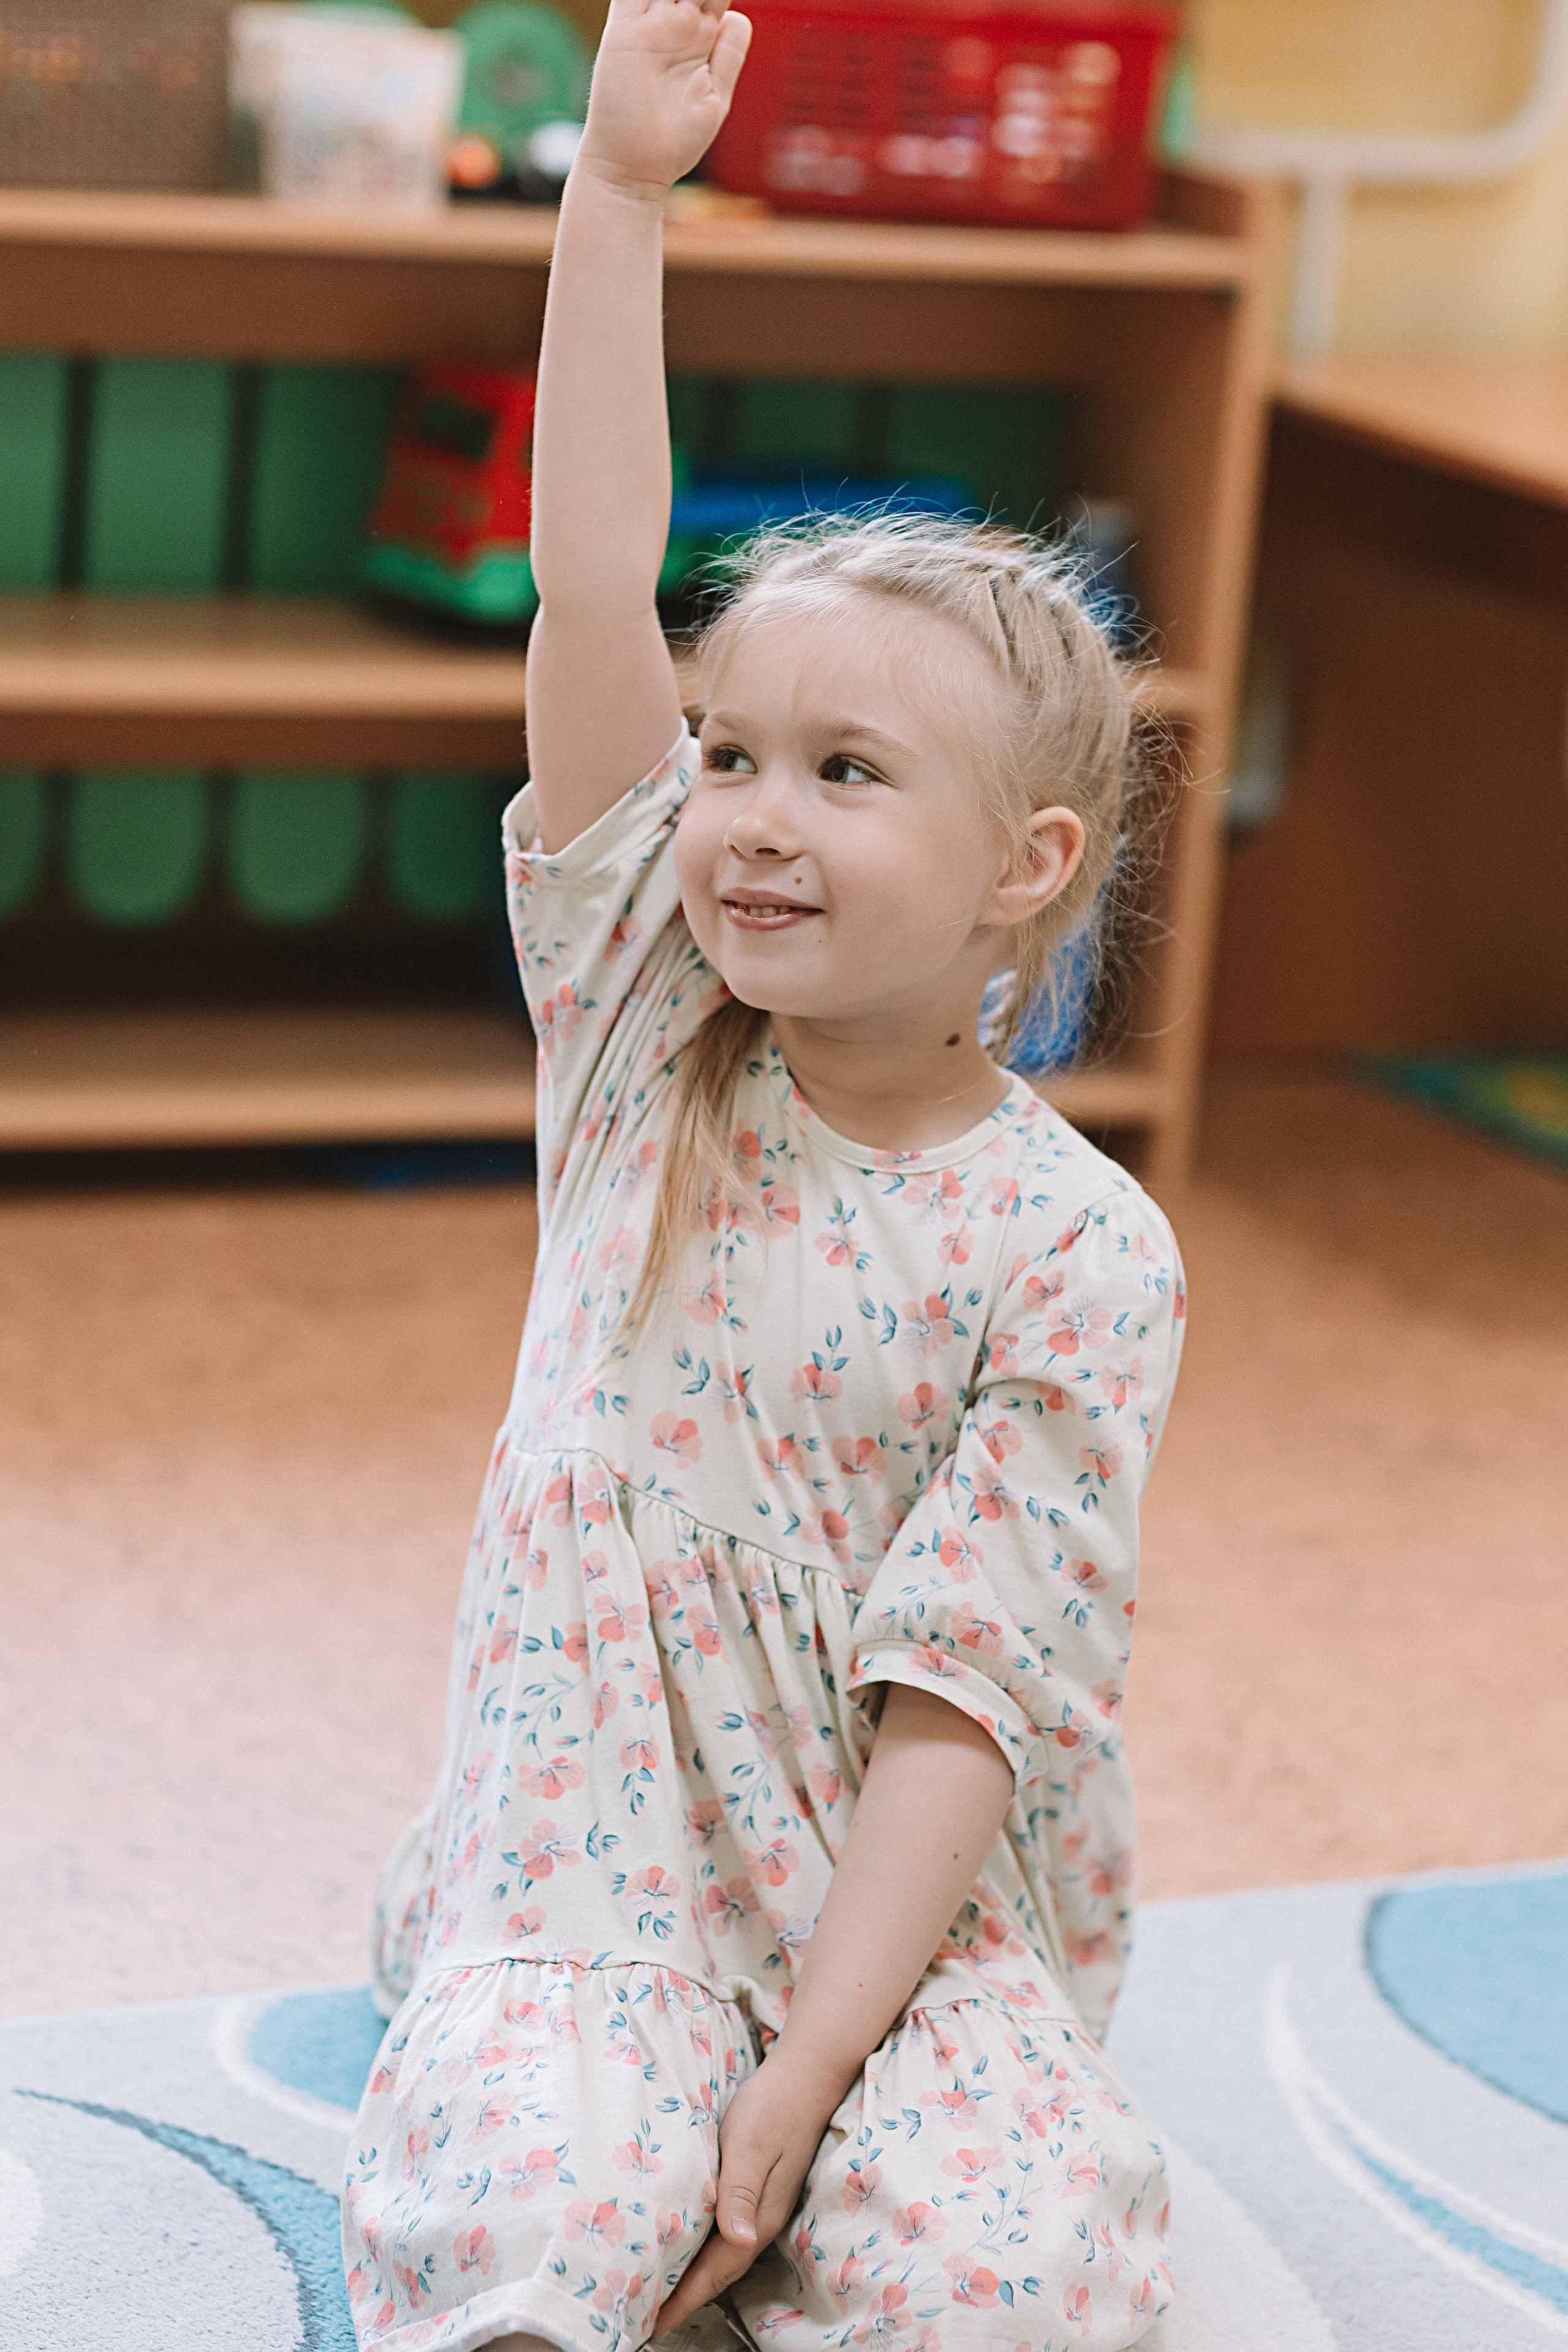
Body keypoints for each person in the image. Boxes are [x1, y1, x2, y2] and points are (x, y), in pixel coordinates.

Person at [342, 0, 1187, 2344]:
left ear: (1028, 867)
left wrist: (812, 2073)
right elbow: (592, 591)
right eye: (730, 753)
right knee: (524, 2213)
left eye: (843, 772)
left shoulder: (1083, 1254)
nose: (748, 814)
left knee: (1008, 2261)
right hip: (583, 1878)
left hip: (912, 1928)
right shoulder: (641, 1020)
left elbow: (969, 1703)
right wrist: (618, 199)